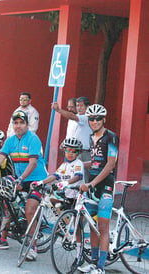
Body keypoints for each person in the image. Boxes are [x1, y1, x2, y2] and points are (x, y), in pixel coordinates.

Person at [0, 110, 47, 256]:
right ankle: (6, 219)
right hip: (18, 178)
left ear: (27, 124)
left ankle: (32, 247)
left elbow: (32, 164)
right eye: (15, 123)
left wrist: (20, 179)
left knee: (29, 210)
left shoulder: (33, 139)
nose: (18, 126)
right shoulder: (10, 140)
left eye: (21, 123)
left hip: (36, 179)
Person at [78, 104, 118, 274]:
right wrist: (73, 165)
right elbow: (93, 162)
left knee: (102, 227)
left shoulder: (111, 137)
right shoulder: (91, 137)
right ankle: (93, 263)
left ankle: (101, 267)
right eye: (91, 119)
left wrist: (92, 184)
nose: (94, 122)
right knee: (92, 225)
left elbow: (110, 164)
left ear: (104, 120)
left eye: (97, 119)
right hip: (92, 185)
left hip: (106, 185)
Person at [52, 96, 93, 182]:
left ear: (87, 107)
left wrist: (59, 110)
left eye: (81, 106)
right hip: (71, 152)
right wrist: (65, 142)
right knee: (69, 175)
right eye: (77, 106)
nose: (79, 108)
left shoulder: (87, 117)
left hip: (83, 153)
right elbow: (72, 133)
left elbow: (72, 116)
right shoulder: (73, 118)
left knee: (83, 178)